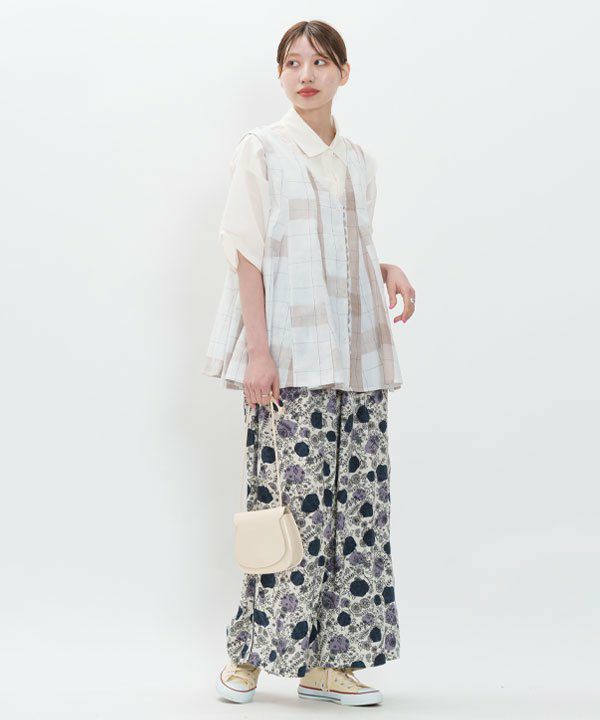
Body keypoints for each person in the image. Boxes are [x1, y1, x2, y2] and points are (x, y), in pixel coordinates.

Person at [203, 19, 416, 706]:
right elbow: (248, 253)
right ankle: (248, 653)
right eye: (293, 63)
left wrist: (382, 266)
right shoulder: (263, 151)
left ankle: (330, 663)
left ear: (343, 73)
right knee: (284, 512)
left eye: (320, 62)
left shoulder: (358, 160)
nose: (306, 75)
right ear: (280, 74)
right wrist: (259, 352)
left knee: (355, 515)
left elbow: (336, 246)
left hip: (356, 364)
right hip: (289, 365)